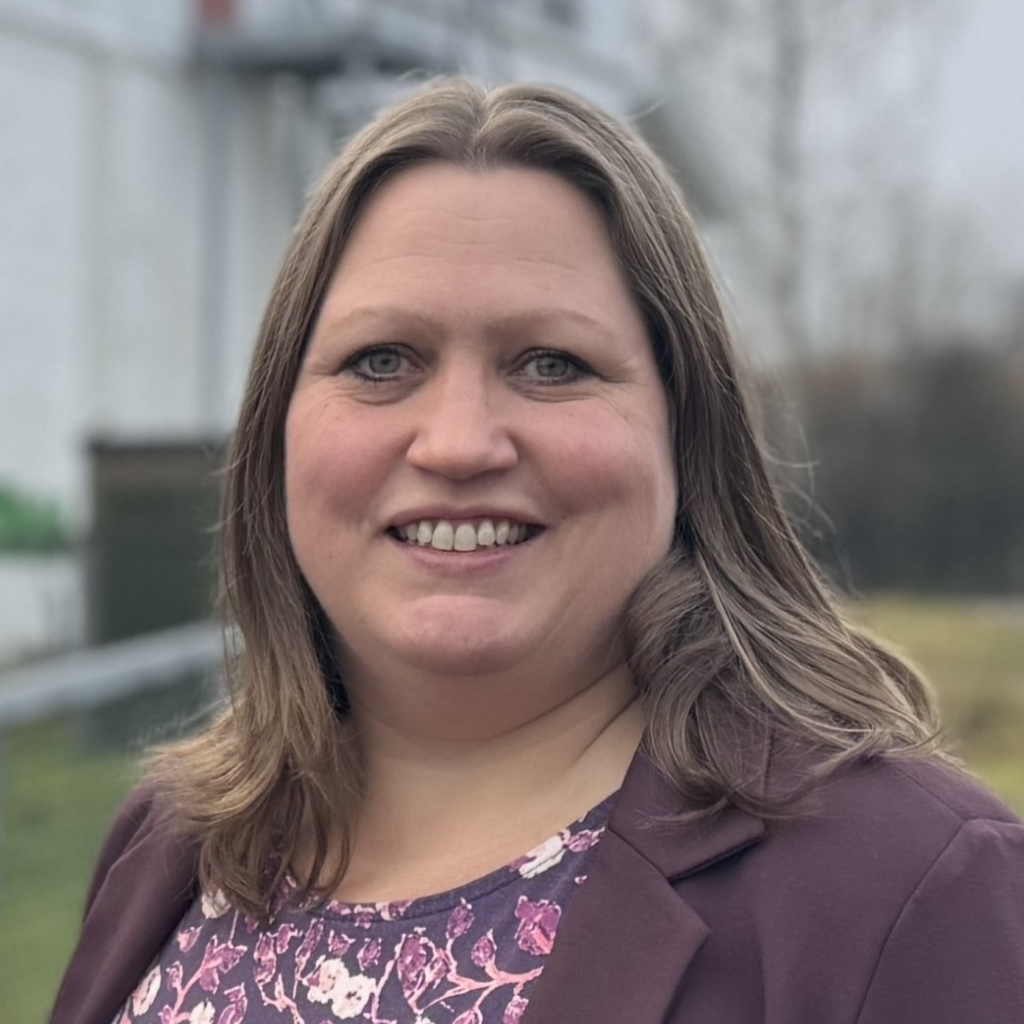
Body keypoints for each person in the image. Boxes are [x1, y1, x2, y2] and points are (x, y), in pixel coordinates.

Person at [51, 78, 1024, 1024]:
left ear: (685, 432)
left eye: (552, 364)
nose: (459, 444)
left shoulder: (908, 889)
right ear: (278, 426)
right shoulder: (173, 842)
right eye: (381, 361)